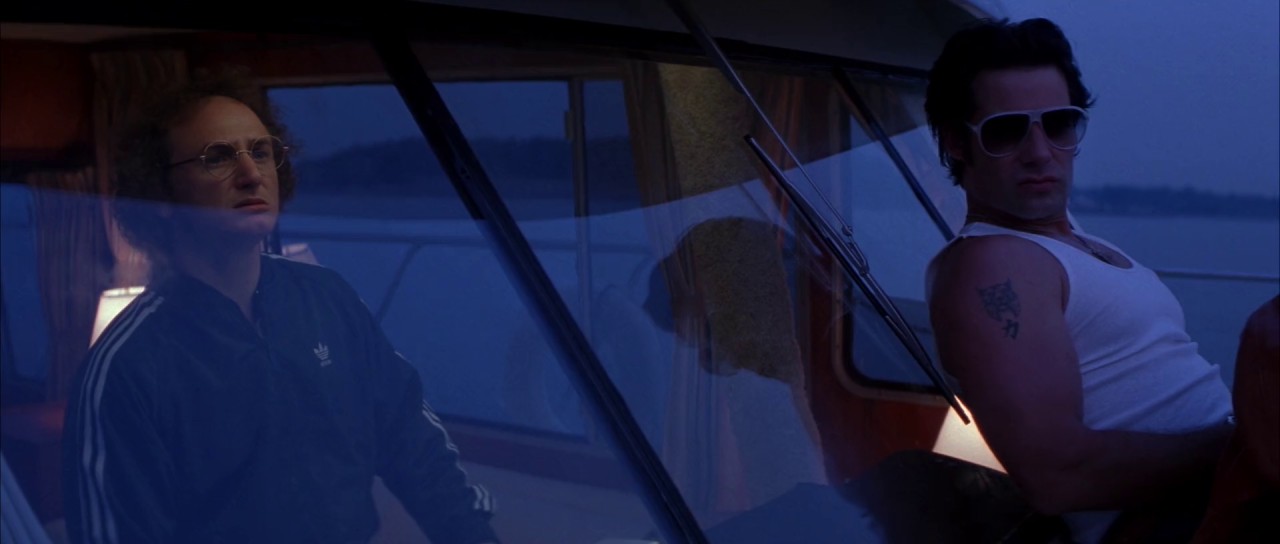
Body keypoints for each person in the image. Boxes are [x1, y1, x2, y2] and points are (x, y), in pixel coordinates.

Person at [62, 67, 499, 543]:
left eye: (261, 151)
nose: (251, 175)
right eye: (217, 157)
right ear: (160, 194)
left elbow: (415, 445)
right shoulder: (127, 368)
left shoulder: (326, 298)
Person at [922, 18, 1235, 543]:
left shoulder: (1069, 242)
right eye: (1007, 131)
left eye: (1059, 124)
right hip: (1180, 521)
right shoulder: (993, 265)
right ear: (957, 142)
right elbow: (1056, 477)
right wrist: (1238, 446)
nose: (1040, 151)